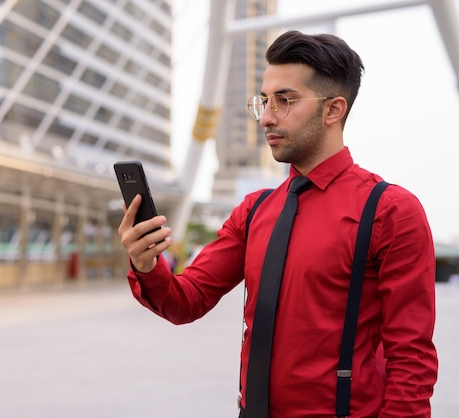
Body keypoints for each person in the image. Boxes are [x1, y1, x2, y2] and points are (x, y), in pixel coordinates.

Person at [117, 30, 437, 417]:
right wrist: (146, 264)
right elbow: (186, 301)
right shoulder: (254, 211)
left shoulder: (389, 210)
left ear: (333, 110)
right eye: (264, 101)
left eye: (284, 101)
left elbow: (411, 360)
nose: (266, 117)